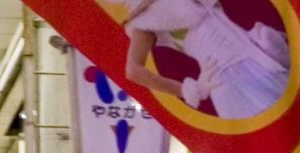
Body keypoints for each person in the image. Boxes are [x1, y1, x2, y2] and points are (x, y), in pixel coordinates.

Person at [123, 0, 290, 120]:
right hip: (229, 81)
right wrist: (187, 89)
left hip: (258, 61)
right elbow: (133, 70)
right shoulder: (144, 21)